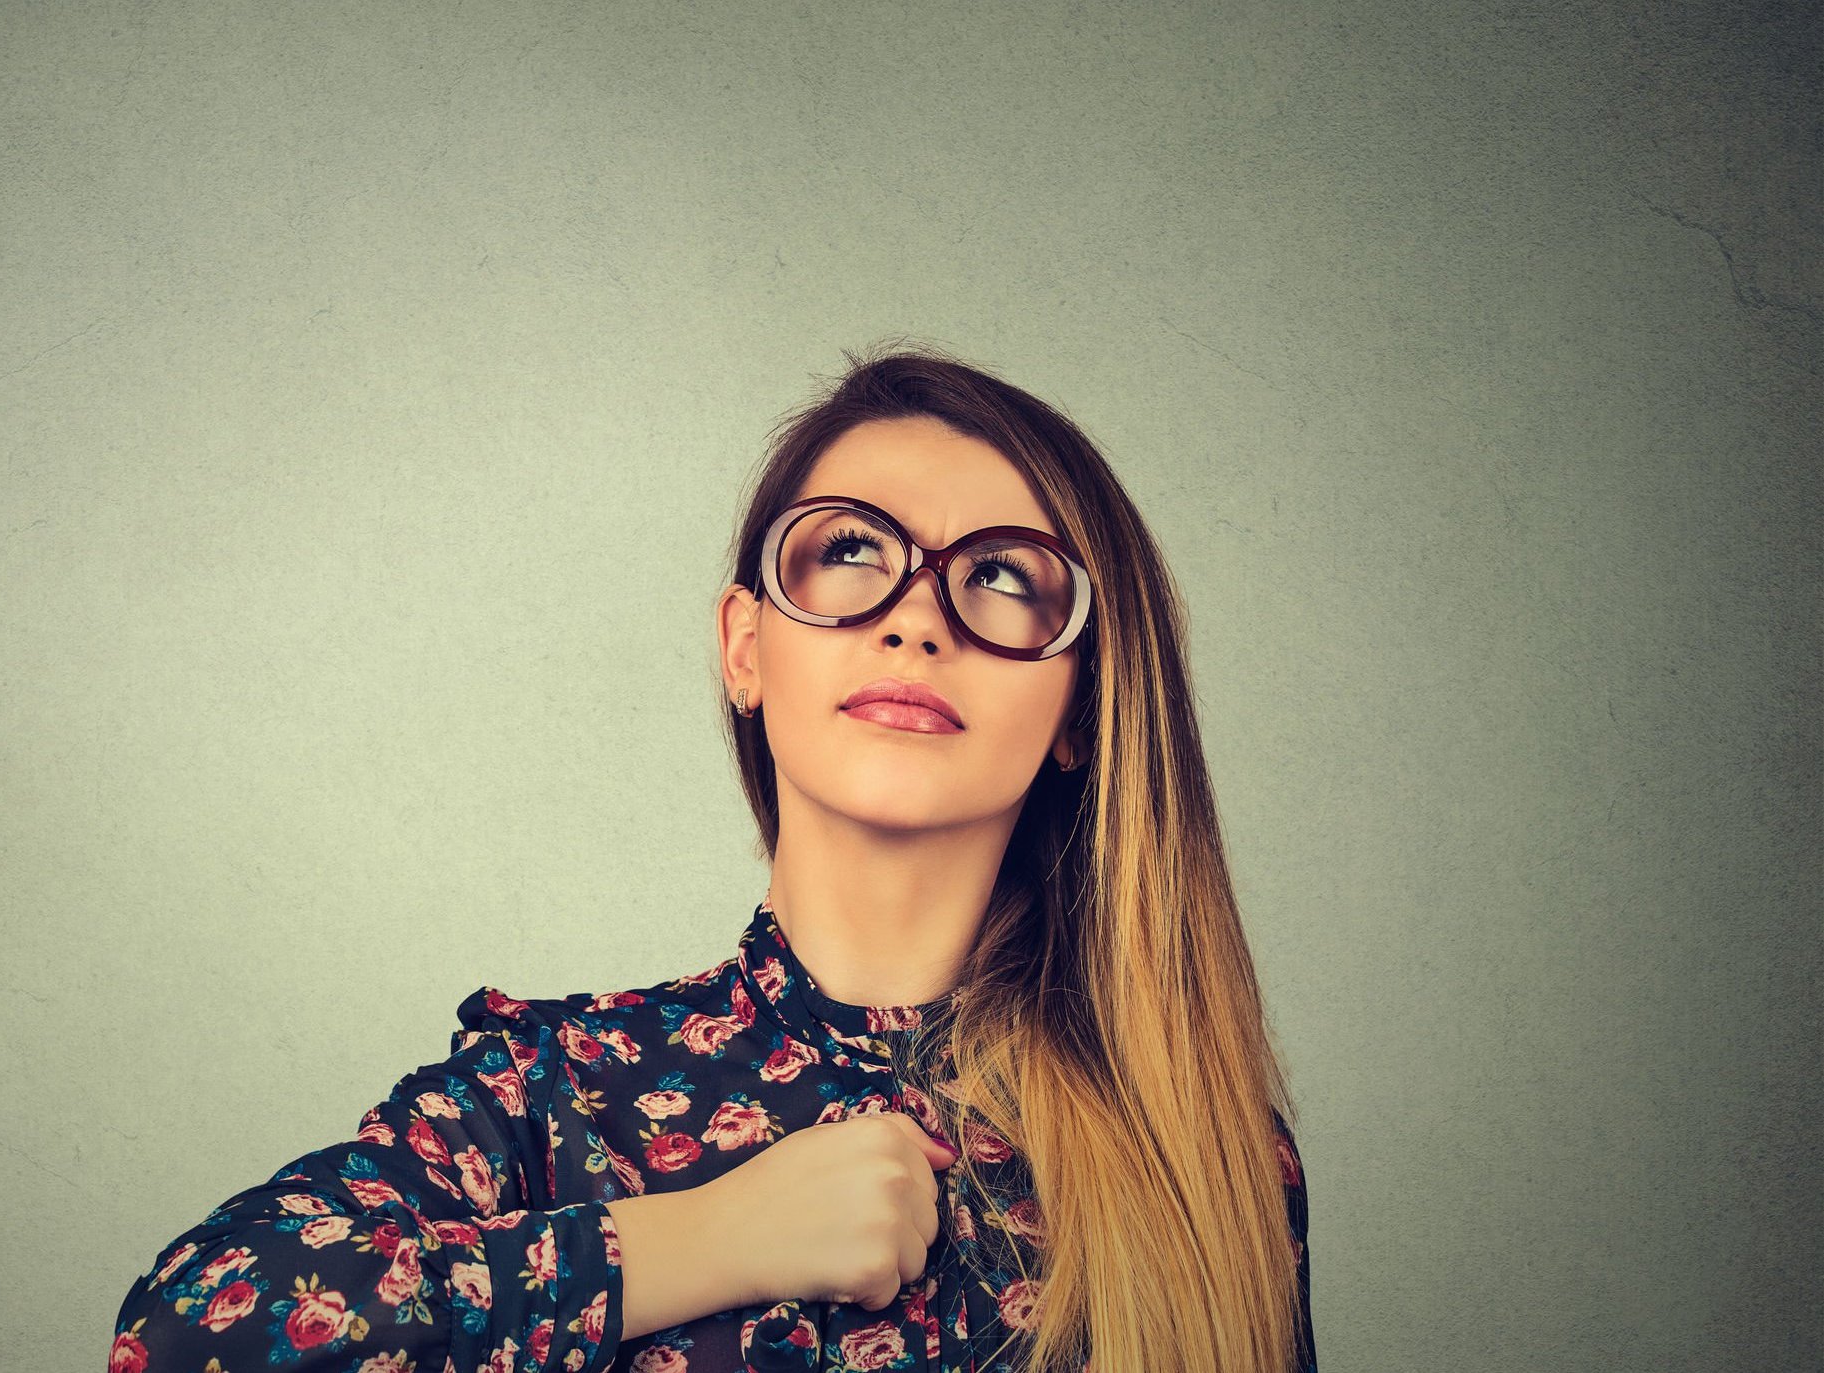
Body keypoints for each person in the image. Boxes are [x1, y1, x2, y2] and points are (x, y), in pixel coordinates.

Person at [109, 345, 1314, 1373]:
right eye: (847, 550)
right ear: (746, 648)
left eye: (1001, 576)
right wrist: (701, 1239)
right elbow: (178, 1335)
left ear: (1078, 710)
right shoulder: (554, 1091)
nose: (916, 614)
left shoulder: (1205, 1150)